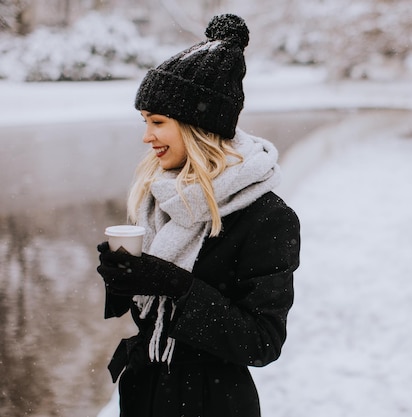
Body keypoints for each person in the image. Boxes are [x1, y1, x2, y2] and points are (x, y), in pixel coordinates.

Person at [95, 13, 300, 417]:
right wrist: (123, 279)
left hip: (212, 401)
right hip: (145, 391)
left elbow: (262, 342)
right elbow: (148, 315)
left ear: (197, 127)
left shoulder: (267, 217)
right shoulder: (160, 195)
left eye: (157, 122)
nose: (146, 136)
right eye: (144, 122)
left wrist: (177, 284)